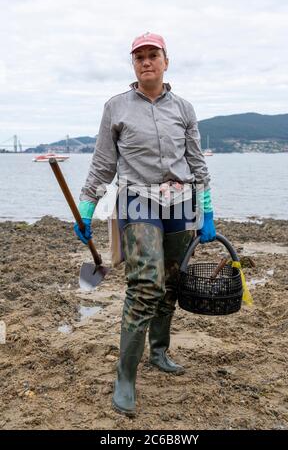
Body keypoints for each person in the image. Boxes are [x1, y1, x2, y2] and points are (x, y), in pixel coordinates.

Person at [74, 32, 216, 417]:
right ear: (133, 65)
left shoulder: (184, 108)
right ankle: (125, 375)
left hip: (181, 201)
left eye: (153, 55)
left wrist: (206, 208)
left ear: (166, 61)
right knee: (145, 283)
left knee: (172, 280)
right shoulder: (116, 107)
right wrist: (87, 207)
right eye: (139, 57)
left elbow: (196, 161)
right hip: (137, 199)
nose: (146, 61)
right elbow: (103, 162)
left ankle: (159, 351)